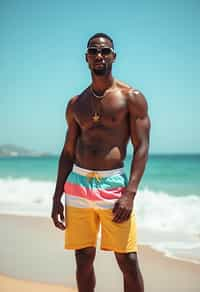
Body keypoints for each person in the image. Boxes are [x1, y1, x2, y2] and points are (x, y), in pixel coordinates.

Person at [51, 32, 150, 292]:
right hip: (78, 185)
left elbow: (142, 148)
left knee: (127, 259)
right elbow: (68, 151)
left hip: (113, 185)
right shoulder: (75, 104)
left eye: (105, 51)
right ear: (86, 58)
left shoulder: (131, 97)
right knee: (83, 258)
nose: (99, 56)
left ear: (113, 57)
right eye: (94, 51)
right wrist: (56, 196)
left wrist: (130, 193)